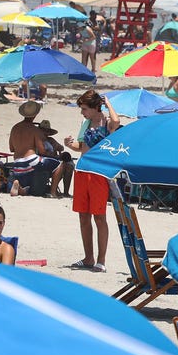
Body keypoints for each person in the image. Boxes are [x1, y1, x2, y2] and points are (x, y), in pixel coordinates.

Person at [64, 90, 120, 273]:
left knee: (99, 216)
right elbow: (81, 147)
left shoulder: (107, 123)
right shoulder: (86, 123)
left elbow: (117, 122)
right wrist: (69, 144)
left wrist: (108, 104)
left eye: (85, 109)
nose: (82, 112)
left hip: (99, 173)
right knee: (83, 216)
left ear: (96, 108)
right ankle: (88, 257)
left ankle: (101, 259)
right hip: (82, 170)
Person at [8, 101, 62, 198]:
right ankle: (53, 192)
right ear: (36, 114)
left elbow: (11, 148)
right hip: (31, 161)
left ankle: (20, 188)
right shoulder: (34, 130)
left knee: (28, 184)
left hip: (17, 165)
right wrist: (53, 155)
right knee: (58, 165)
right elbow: (42, 151)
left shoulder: (14, 128)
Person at [38, 120, 74, 197]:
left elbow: (61, 148)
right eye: (43, 130)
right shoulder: (37, 140)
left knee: (70, 165)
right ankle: (53, 190)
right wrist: (55, 155)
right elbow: (42, 153)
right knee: (63, 164)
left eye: (47, 131)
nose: (45, 132)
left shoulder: (51, 140)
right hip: (44, 162)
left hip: (53, 161)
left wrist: (56, 146)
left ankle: (66, 192)